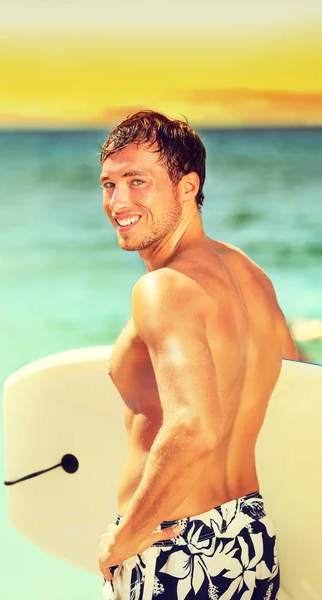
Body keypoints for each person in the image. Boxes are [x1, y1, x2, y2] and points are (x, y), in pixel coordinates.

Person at [96, 111, 299, 600]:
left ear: (188, 186)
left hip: (175, 550)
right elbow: (297, 391)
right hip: (249, 538)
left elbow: (193, 426)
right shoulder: (250, 275)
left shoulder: (164, 288)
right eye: (108, 184)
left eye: (137, 181)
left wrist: (122, 542)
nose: (118, 201)